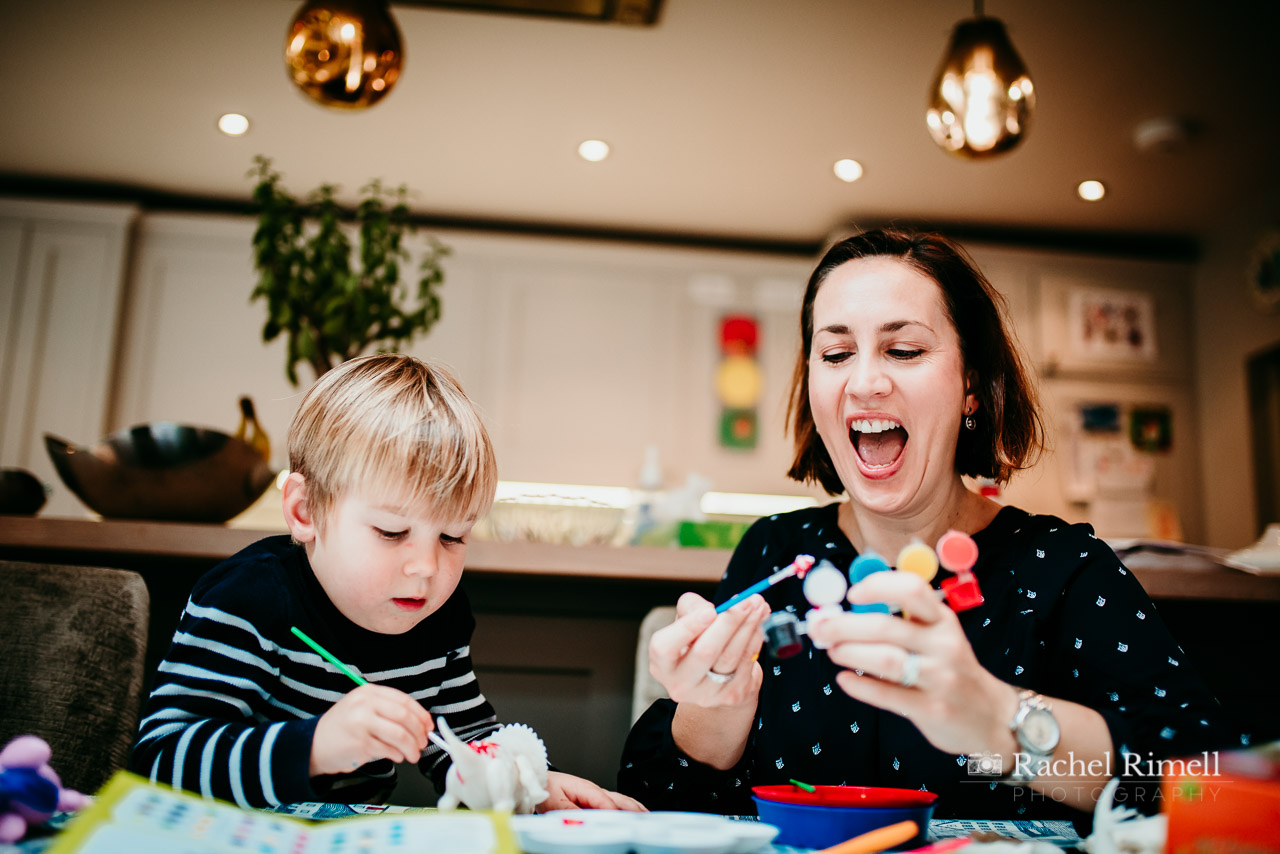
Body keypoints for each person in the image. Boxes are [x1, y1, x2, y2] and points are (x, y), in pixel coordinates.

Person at [618, 228, 1246, 823]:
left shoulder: (1060, 568)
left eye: (905, 349)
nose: (864, 381)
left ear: (972, 384)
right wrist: (712, 710)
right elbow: (652, 797)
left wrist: (1002, 719)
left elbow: (1209, 787)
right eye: (835, 353)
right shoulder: (776, 552)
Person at [131, 354, 642, 812]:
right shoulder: (247, 600)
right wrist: (314, 747)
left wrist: (528, 785)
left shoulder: (437, 617)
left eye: (452, 536)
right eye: (392, 531)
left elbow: (463, 746)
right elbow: (160, 760)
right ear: (304, 511)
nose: (425, 566)